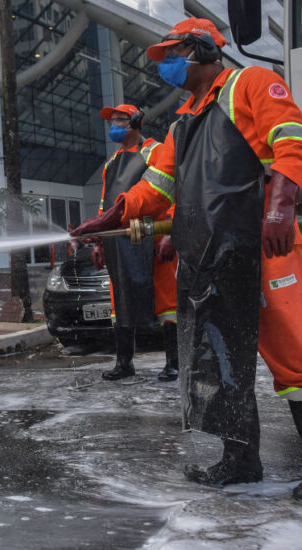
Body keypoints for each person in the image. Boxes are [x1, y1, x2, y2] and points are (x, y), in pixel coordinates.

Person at [71, 17, 302, 490]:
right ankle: (240, 461)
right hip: (211, 256)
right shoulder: (184, 121)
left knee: (294, 358)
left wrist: (280, 206)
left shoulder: (251, 83)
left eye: (172, 55)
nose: (166, 65)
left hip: (264, 247)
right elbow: (156, 187)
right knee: (219, 360)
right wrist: (110, 217)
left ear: (199, 50)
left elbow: (291, 141)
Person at [92, 103, 178, 381]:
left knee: (167, 299)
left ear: (137, 121)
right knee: (121, 299)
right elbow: (105, 207)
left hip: (154, 233)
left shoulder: (157, 151)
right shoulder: (110, 163)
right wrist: (97, 241)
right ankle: (125, 363)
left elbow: (174, 191)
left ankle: (174, 363)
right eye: (112, 121)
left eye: (120, 120)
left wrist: (170, 233)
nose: (113, 125)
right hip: (120, 239)